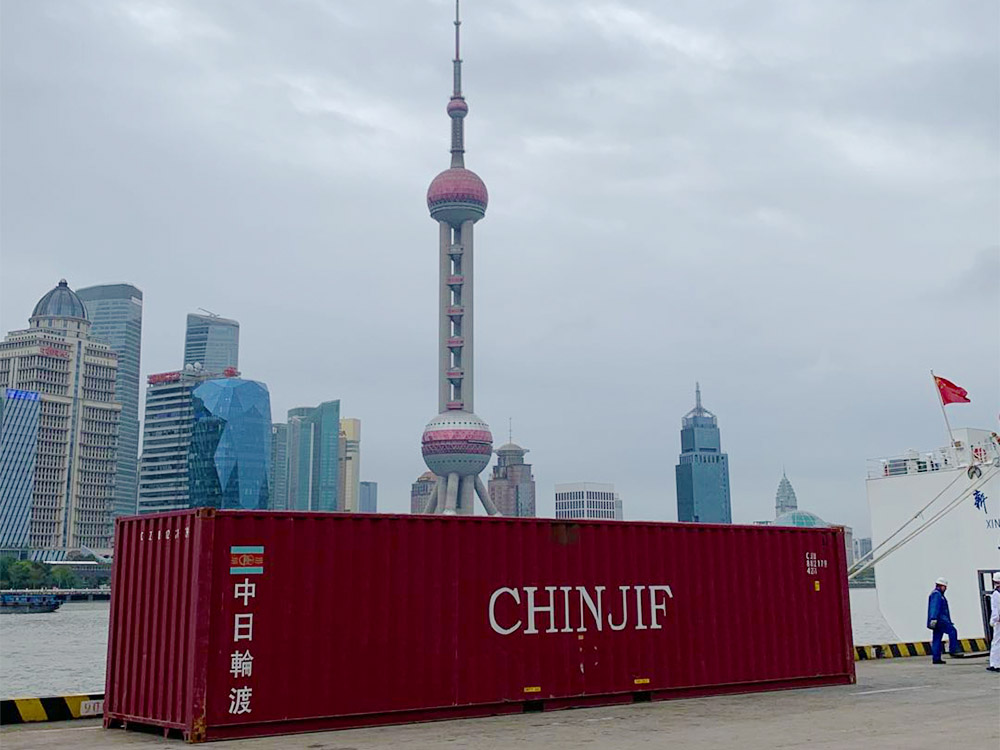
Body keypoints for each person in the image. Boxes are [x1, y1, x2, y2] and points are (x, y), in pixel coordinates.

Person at [927, 577, 960, 664]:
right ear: (941, 586)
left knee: (937, 638)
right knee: (952, 631)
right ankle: (953, 650)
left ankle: (936, 658)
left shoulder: (937, 594)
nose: (945, 589)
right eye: (945, 587)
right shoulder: (937, 595)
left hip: (938, 620)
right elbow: (934, 607)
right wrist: (933, 618)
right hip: (941, 620)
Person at [988, 572, 1000, 673]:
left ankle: (995, 664)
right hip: (998, 621)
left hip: (998, 621)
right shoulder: (996, 594)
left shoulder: (996, 594)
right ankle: (995, 664)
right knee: (997, 642)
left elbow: (995, 609)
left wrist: (994, 620)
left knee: (996, 642)